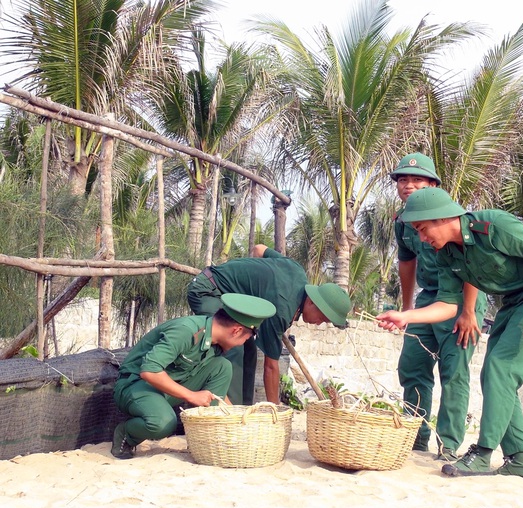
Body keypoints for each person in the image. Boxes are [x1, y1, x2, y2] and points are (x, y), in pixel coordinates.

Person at [376, 187, 523, 483]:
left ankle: (482, 452)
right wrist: (406, 316)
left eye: (423, 229)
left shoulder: (492, 226)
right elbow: (446, 305)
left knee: (501, 369)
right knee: (494, 375)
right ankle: (521, 459)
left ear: (441, 217)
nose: (422, 238)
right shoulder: (448, 255)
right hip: (513, 302)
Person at [390, 153, 487, 459]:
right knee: (412, 365)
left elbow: (474, 263)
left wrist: (469, 312)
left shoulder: (450, 216)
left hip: (463, 296)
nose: (408, 185)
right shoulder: (403, 222)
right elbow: (407, 263)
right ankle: (414, 437)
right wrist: (406, 312)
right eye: (403, 180)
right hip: (429, 297)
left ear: (432, 184)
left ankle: (448, 446)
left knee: (453, 369)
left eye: (416, 180)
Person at [111, 293, 277, 460]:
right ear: (236, 331)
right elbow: (149, 371)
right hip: (135, 385)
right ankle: (126, 433)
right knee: (163, 423)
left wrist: (235, 417)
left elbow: (216, 394)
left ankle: (209, 440)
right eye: (247, 338)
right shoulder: (186, 331)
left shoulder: (216, 343)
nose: (243, 344)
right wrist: (191, 395)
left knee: (222, 366)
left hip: (168, 387)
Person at [187, 244, 352, 405]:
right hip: (207, 290)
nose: (319, 323)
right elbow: (271, 367)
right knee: (233, 346)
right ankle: (230, 415)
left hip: (226, 297)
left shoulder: (297, 271)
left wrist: (253, 284)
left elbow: (259, 249)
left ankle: (245, 408)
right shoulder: (281, 311)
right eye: (322, 318)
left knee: (249, 346)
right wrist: (276, 409)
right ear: (311, 302)